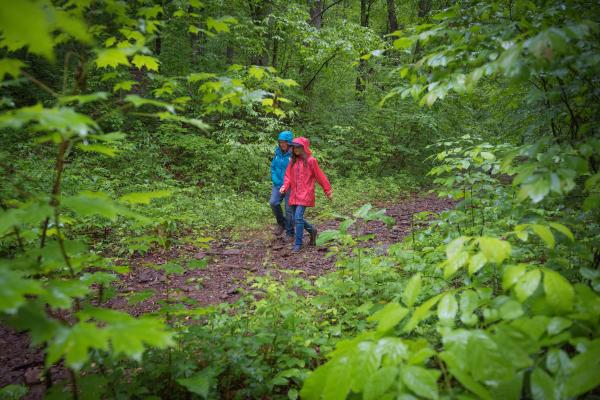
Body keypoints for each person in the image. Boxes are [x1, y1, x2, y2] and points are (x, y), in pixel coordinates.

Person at [280, 137, 332, 253]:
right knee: (296, 218)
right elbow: (288, 175)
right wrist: (285, 186)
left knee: (298, 217)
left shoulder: (311, 161)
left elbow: (320, 176)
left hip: (305, 193)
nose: (295, 149)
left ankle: (298, 244)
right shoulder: (292, 161)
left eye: (298, 147)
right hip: (294, 193)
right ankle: (312, 230)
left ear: (304, 148)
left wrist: (327, 190)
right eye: (294, 147)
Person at [269, 130, 294, 240]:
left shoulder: (294, 154)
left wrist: (287, 184)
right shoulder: (277, 153)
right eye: (280, 142)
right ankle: (282, 224)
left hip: (290, 185)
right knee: (273, 202)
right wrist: (275, 180)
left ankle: (290, 233)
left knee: (289, 209)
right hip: (278, 183)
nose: (282, 144)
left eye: (284, 142)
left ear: (289, 142)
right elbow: (273, 168)